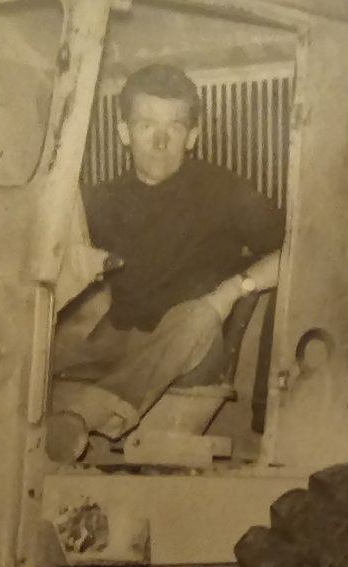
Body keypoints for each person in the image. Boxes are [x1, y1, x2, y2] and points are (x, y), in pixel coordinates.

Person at [48, 64, 284, 461]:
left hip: (194, 345)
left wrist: (233, 290)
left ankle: (81, 420)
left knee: (199, 316)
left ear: (192, 135)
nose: (159, 141)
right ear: (124, 132)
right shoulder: (101, 199)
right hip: (121, 338)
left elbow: (302, 248)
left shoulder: (223, 191)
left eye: (173, 127)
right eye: (145, 125)